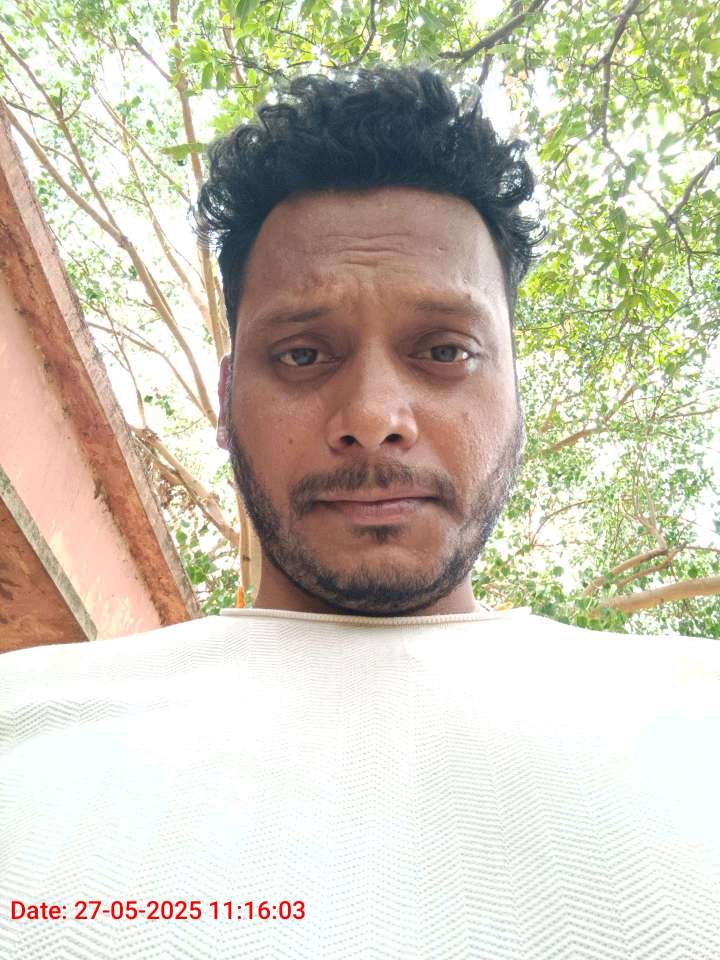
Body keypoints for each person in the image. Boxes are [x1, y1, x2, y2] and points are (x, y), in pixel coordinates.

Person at [1, 67, 718, 960]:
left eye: (444, 351)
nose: (374, 417)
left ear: (516, 390)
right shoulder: (22, 720)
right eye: (303, 355)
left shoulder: (700, 710)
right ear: (225, 398)